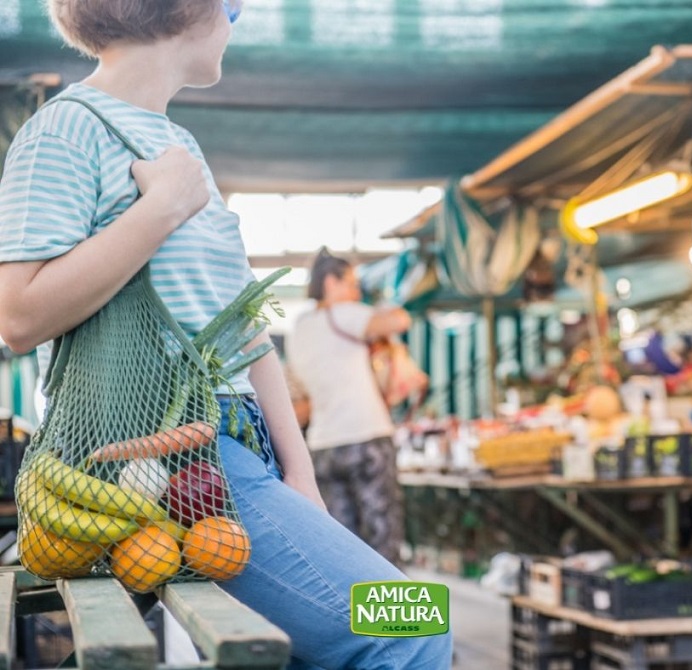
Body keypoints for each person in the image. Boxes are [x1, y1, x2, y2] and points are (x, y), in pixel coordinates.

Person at [0, 2, 451, 668]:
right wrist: (161, 209)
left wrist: (299, 473)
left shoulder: (183, 148)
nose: (235, 23)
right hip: (173, 458)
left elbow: (246, 326)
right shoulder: (64, 129)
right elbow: (17, 314)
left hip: (242, 453)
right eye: (233, 6)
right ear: (183, 9)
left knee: (329, 642)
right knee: (413, 622)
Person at [287, 249, 411, 566]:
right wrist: (384, 303)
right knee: (383, 543)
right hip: (366, 438)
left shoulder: (298, 330)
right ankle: (391, 617)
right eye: (352, 284)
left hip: (323, 448)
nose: (356, 292)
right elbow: (399, 320)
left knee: (343, 549)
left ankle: (348, 615)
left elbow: (299, 395)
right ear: (331, 282)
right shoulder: (344, 313)